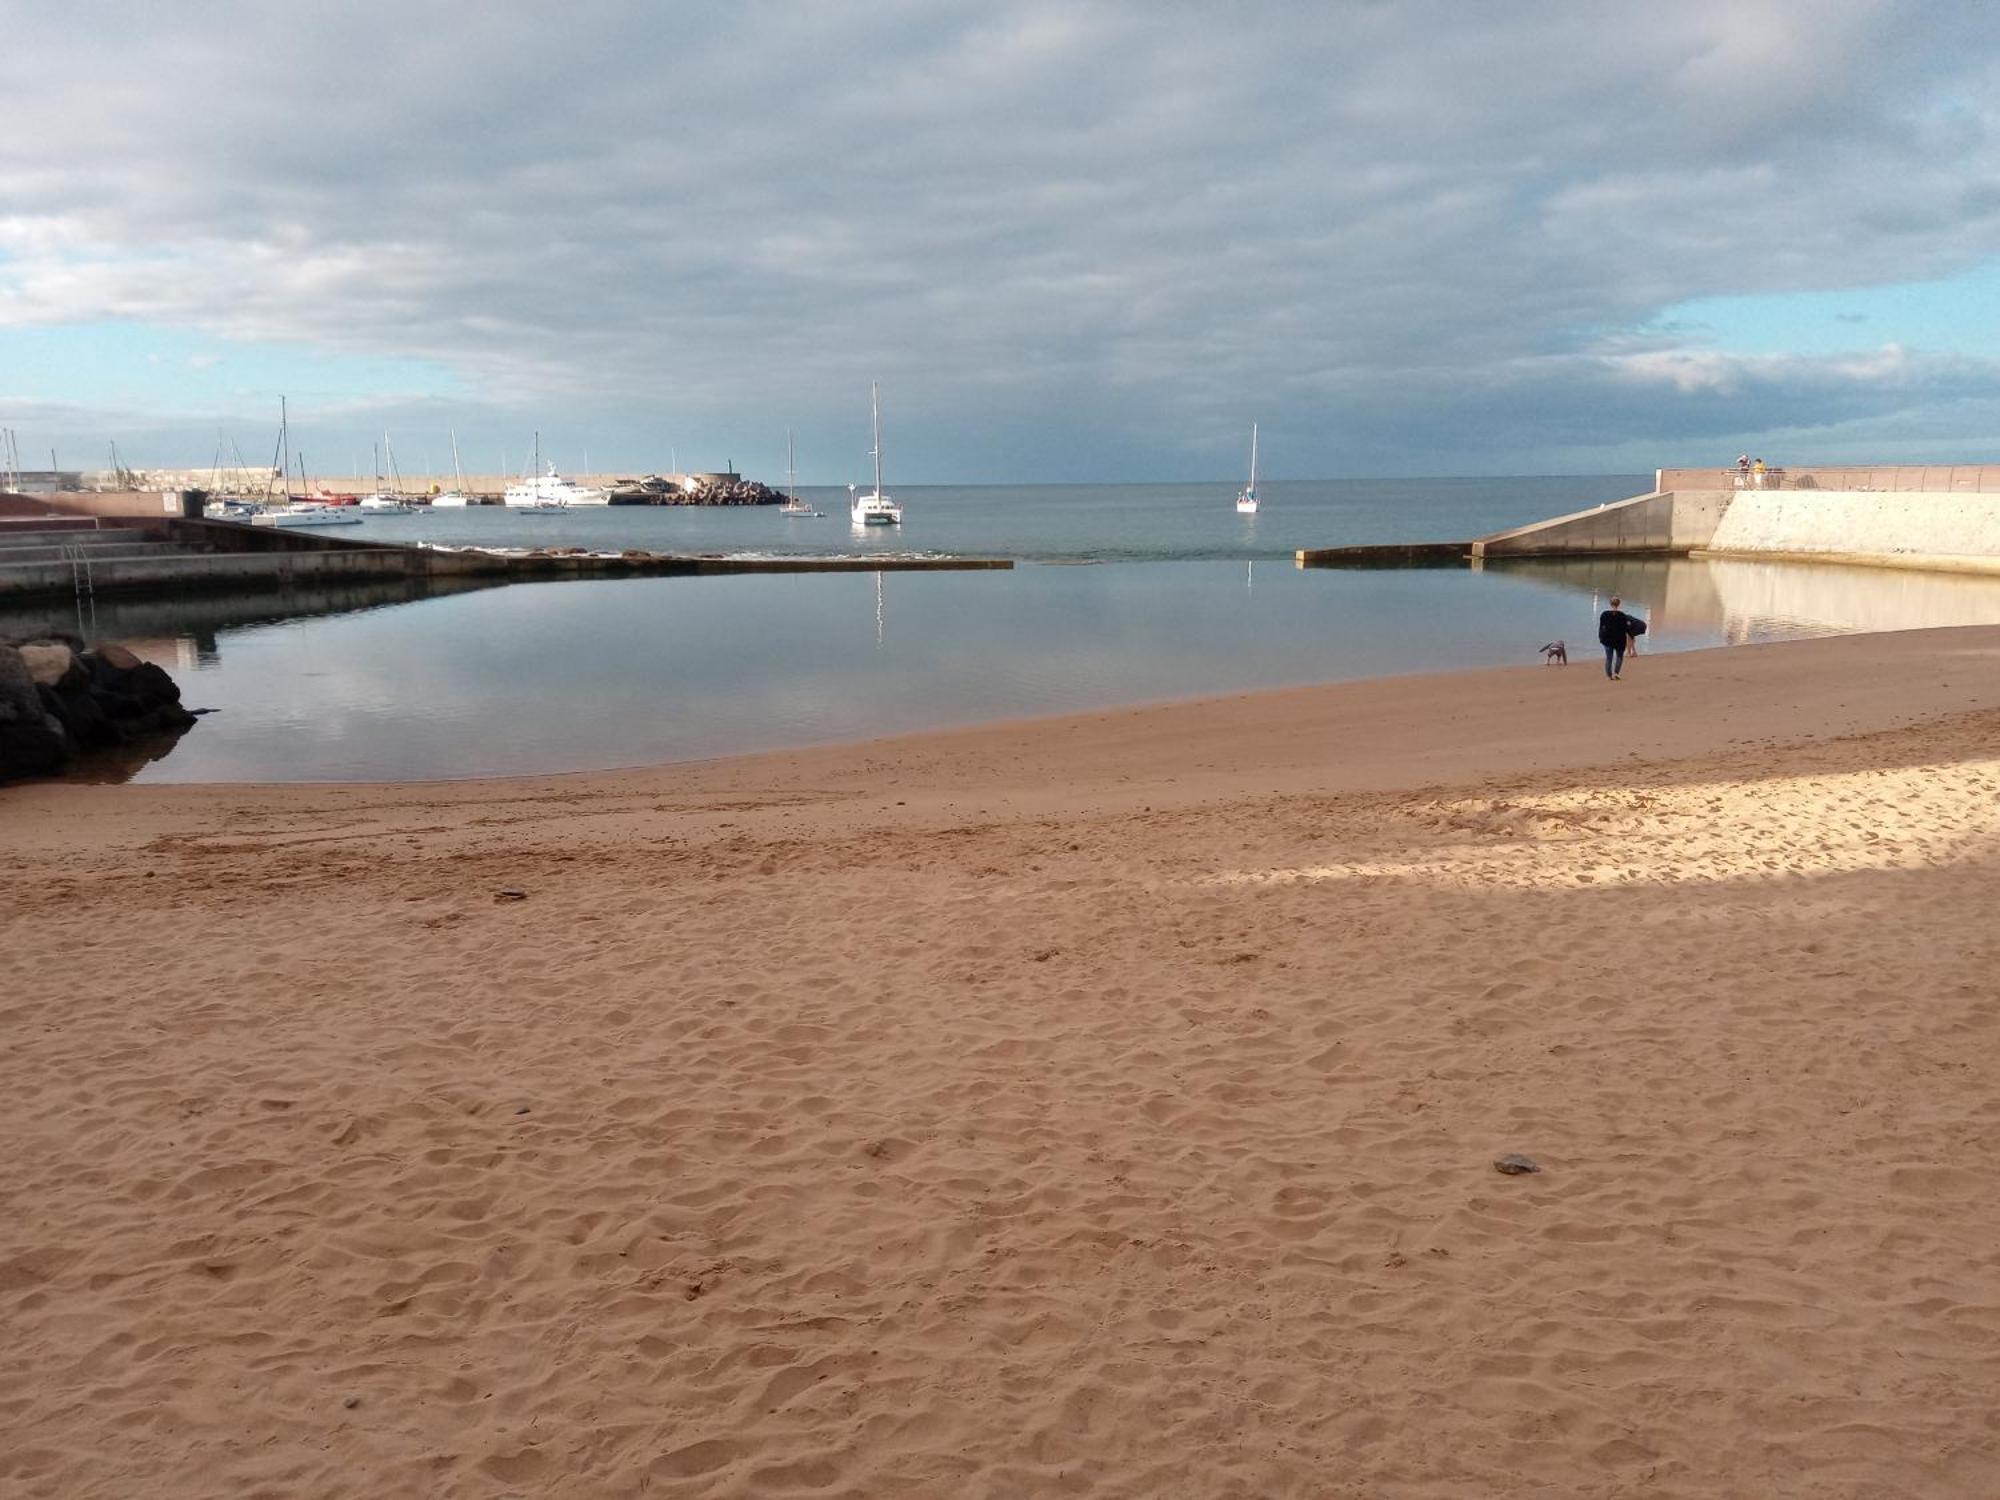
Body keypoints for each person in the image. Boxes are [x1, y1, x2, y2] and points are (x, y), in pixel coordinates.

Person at [1597, 596, 1647, 680]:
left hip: (1608, 639)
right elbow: (1627, 629)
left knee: (1609, 658)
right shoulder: (1623, 615)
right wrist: (1632, 637)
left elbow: (1602, 627)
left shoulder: (1604, 614)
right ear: (1619, 604)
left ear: (1610, 604)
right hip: (1620, 640)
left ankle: (1609, 676)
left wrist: (1601, 637)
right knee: (1619, 657)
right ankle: (1616, 673)